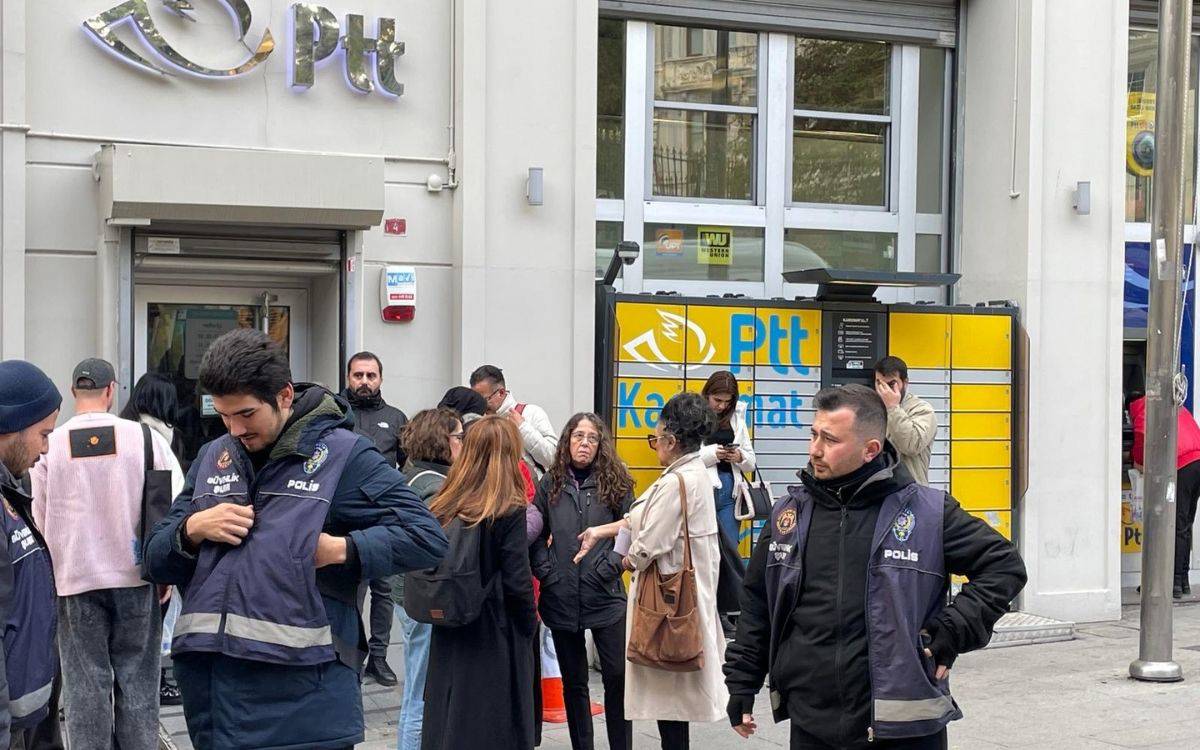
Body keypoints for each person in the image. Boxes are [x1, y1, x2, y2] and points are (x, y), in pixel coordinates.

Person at [142, 329, 448, 750]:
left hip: (303, 709)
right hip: (214, 707)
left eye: (246, 414)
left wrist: (341, 549)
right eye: (224, 415)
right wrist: (191, 530)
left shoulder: (346, 456)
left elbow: (427, 537)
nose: (234, 429)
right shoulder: (215, 456)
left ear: (284, 395)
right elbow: (154, 559)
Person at [723, 384, 1027, 750]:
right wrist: (742, 682)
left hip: (904, 728)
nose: (815, 450)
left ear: (871, 449)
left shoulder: (928, 513)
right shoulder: (790, 512)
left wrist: (952, 629)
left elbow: (1004, 566)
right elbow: (758, 604)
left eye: (831, 440)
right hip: (812, 722)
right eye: (814, 434)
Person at [30, 359, 176, 750]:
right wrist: (165, 572)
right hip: (136, 575)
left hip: (72, 579)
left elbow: (38, 520)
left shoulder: (49, 445)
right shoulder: (146, 439)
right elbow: (166, 508)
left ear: (75, 391)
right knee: (139, 683)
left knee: (83, 686)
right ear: (112, 390)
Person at [576, 392, 728, 749]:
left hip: (668, 608)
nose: (655, 444)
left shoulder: (678, 483)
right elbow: (641, 519)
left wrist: (617, 563)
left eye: (656, 437)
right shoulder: (692, 474)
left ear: (672, 441)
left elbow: (647, 545)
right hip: (686, 601)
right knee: (672, 702)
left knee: (671, 701)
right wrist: (601, 530)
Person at [420, 416, 538, 750]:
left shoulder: (444, 502)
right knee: (491, 724)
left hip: (450, 623)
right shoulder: (508, 508)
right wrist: (529, 627)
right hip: (494, 630)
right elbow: (518, 581)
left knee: (448, 716)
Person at [530, 413, 634, 750]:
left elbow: (631, 528)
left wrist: (611, 565)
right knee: (574, 684)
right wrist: (547, 572)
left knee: (617, 679)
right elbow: (535, 534)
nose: (584, 443)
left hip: (606, 595)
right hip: (560, 597)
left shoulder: (617, 482)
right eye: (578, 436)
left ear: (600, 445)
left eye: (591, 438)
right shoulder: (551, 483)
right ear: (567, 442)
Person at [392, 408, 464, 750]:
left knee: (414, 689)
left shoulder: (408, 477)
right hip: (424, 599)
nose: (463, 443)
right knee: (422, 693)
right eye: (459, 437)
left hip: (407, 596)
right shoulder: (435, 488)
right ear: (442, 441)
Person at [0, 360, 61, 750]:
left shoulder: (10, 489)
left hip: (28, 721)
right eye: (43, 433)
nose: (46, 447)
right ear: (10, 427)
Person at [120, 372, 187, 706]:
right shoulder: (154, 441)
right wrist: (165, 563)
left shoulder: (122, 433)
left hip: (114, 553)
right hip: (147, 552)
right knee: (152, 628)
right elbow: (164, 505)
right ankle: (159, 683)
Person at [342, 351, 409, 686]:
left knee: (383, 591)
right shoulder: (336, 415)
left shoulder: (396, 418)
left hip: (383, 519)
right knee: (350, 591)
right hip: (344, 518)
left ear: (380, 379)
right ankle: (350, 659)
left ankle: (378, 658)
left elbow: (408, 468)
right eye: (358, 375)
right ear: (348, 378)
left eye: (371, 375)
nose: (364, 382)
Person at [1129, 394, 1200, 598]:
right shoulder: (1174, 404)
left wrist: (1137, 461)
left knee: (1170, 526)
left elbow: (1142, 440)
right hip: (1196, 463)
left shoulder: (1142, 409)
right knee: (1183, 525)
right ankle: (1182, 581)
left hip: (1182, 467)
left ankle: (1171, 584)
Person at [700, 371, 757, 546]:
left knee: (729, 548)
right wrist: (712, 454)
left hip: (731, 490)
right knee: (701, 548)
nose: (722, 406)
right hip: (702, 488)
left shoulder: (736, 417)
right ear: (707, 394)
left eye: (728, 401)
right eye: (717, 400)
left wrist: (739, 457)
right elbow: (682, 458)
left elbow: (751, 462)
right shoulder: (693, 414)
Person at [469, 365, 558, 475]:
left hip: (531, 490)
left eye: (484, 399)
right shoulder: (477, 423)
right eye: (475, 400)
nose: (480, 405)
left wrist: (523, 428)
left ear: (501, 393)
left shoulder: (532, 413)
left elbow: (553, 458)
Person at [874, 356, 937, 487]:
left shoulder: (922, 410)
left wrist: (892, 408)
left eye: (891, 384)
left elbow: (911, 445)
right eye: (880, 383)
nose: (884, 390)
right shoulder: (873, 409)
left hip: (910, 493)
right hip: (880, 492)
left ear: (905, 383)